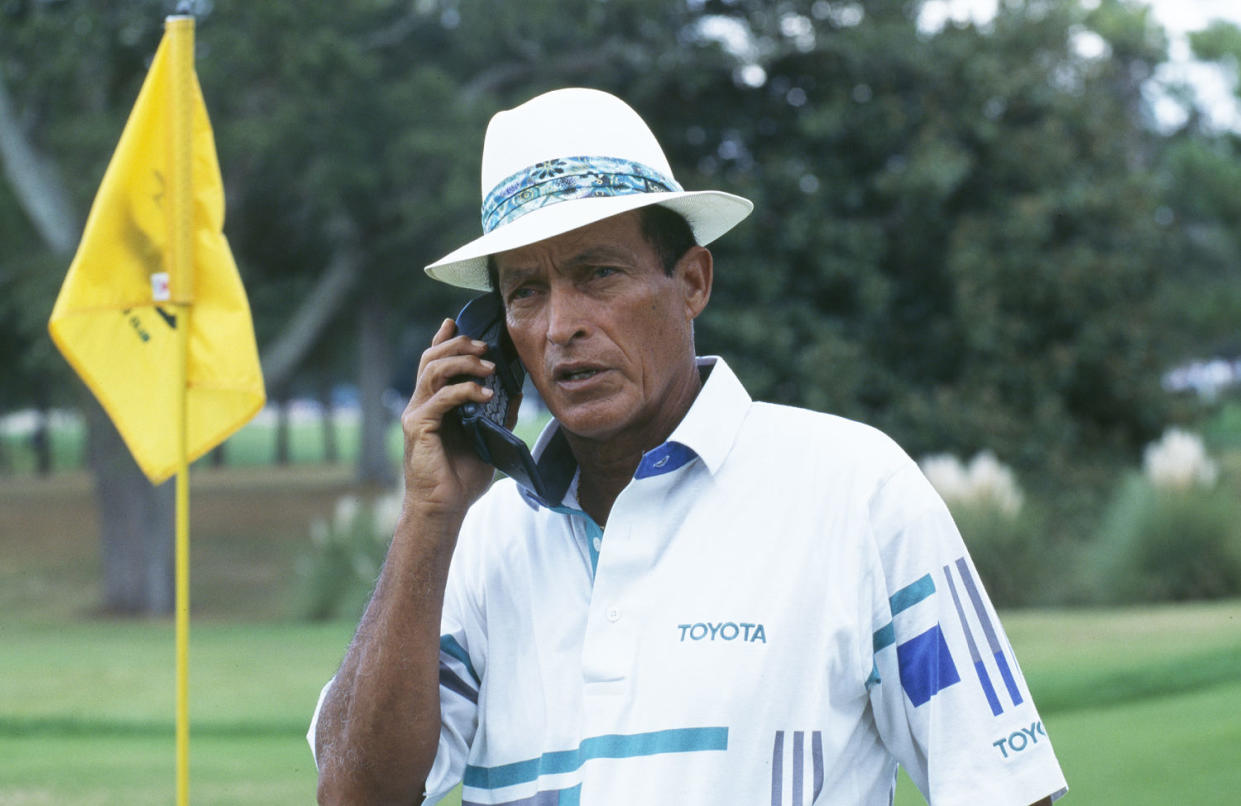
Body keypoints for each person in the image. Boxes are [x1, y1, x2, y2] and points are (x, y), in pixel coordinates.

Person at [309, 87, 1067, 806]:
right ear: (492, 334)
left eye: (597, 273)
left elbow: (1004, 785)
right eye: (524, 292)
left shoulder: (854, 490)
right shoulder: (474, 542)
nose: (559, 324)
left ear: (692, 282)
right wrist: (429, 518)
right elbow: (352, 794)